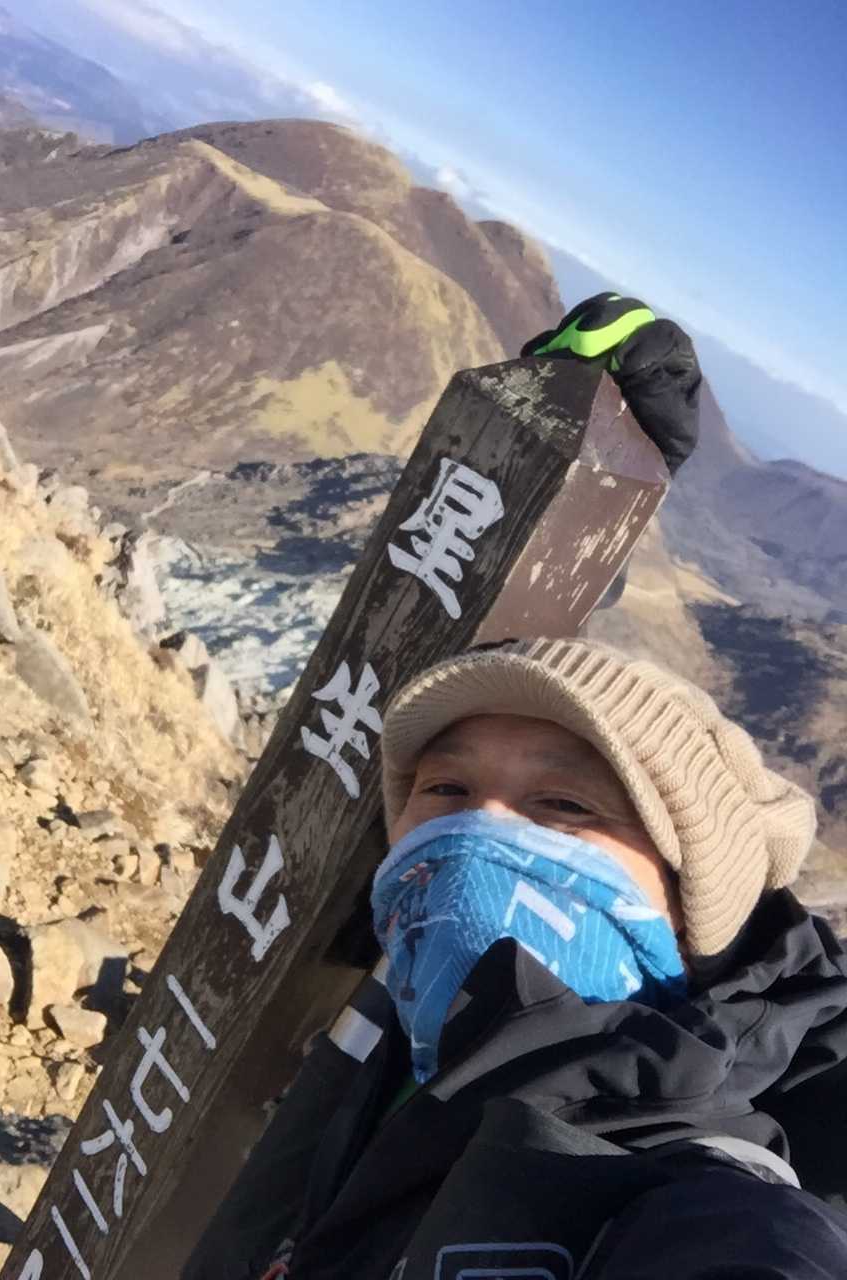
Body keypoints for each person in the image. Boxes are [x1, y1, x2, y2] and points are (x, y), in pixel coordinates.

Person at [190, 305, 847, 1279]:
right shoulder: (421, 1000)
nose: (478, 830)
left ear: (691, 902)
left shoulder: (703, 1201)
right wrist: (557, 474)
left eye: (567, 806)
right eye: (447, 786)